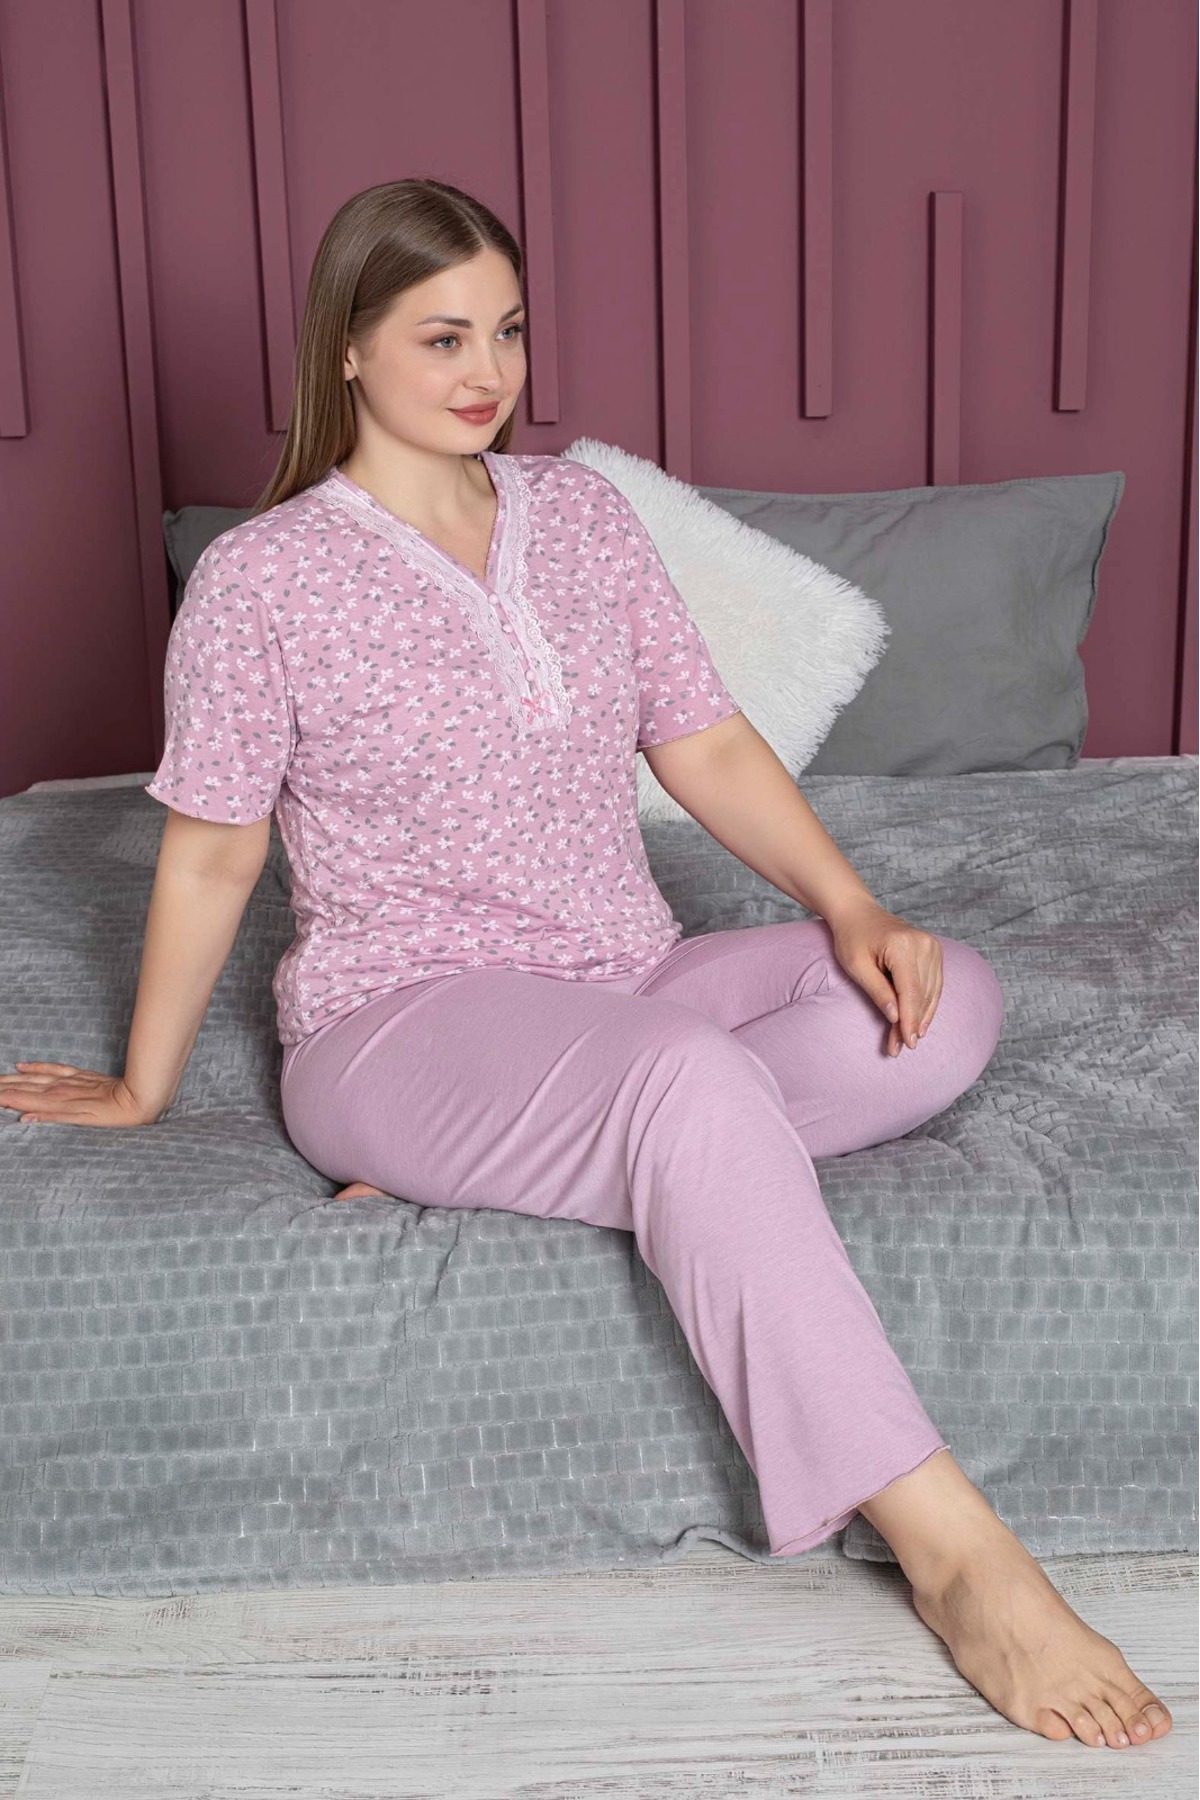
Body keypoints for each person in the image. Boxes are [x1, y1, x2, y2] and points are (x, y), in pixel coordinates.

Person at [0, 178, 1171, 1754]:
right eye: (441, 337)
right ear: (346, 347)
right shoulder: (263, 580)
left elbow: (704, 740)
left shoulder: (584, 517)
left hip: (629, 981)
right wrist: (146, 1086)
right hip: (399, 1023)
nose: (487, 371)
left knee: (943, 1006)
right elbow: (212, 855)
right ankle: (955, 1546)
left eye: (508, 330)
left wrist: (855, 908)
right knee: (689, 1089)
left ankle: (529, 1164)